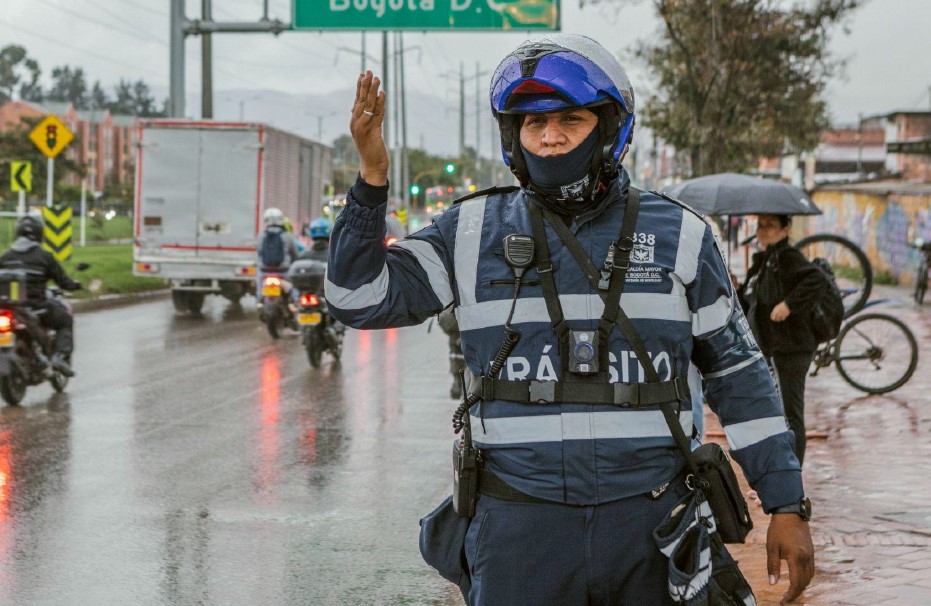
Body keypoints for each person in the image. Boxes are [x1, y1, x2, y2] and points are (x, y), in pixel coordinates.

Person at [327, 35, 813, 605]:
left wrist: (785, 503)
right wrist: (372, 177)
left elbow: (739, 376)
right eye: (533, 124)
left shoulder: (682, 235)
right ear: (514, 136)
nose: (550, 137)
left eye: (570, 120)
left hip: (653, 526)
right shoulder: (468, 231)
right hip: (519, 532)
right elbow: (356, 296)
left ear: (609, 128)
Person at [737, 214, 824, 467]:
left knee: (791, 415)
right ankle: (781, 473)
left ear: (785, 229)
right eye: (760, 225)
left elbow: (815, 279)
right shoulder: (765, 260)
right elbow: (751, 301)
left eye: (770, 226)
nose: (763, 230)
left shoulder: (787, 257)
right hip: (773, 347)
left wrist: (789, 305)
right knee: (778, 413)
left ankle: (792, 478)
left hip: (793, 347)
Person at [0, 215, 81, 376]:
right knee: (65, 319)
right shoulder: (45, 257)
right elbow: (63, 282)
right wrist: (75, 285)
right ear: (39, 234)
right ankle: (59, 356)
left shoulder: (6, 256)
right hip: (37, 308)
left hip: (10, 308)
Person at [256, 207, 301, 291]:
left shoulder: (261, 236)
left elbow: (259, 252)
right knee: (294, 287)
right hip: (283, 271)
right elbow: (295, 254)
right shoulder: (288, 236)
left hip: (264, 271)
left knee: (259, 284)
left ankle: (259, 299)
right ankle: (295, 300)